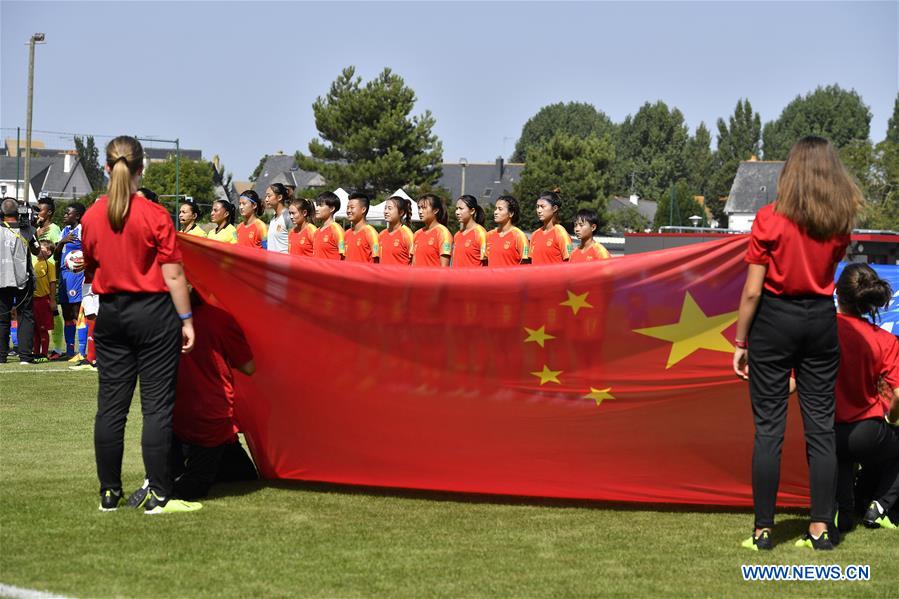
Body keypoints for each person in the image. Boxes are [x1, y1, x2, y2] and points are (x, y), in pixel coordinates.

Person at [733, 136, 865, 551]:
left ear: (790, 171)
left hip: (774, 321)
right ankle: (822, 527)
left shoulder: (769, 218)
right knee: (821, 430)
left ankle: (763, 530)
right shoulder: (838, 223)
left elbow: (753, 291)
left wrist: (740, 340)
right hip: (821, 321)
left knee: (769, 431)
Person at [81, 135, 200, 514]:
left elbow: (92, 263)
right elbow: (175, 275)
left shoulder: (92, 215)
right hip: (154, 314)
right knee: (157, 409)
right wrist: (187, 319)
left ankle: (109, 493)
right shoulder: (154, 214)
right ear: (141, 169)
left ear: (105, 167)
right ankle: (160, 496)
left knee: (111, 409)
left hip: (112, 312)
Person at [127, 289, 257, 505]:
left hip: (173, 417)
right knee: (197, 482)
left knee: (241, 474)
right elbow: (249, 367)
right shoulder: (219, 319)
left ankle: (157, 480)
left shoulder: (156, 322)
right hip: (212, 418)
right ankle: (160, 489)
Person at [832, 264, 899, 531]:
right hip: (866, 431)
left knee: (842, 457)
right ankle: (880, 506)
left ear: (837, 293)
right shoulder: (884, 339)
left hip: (825, 430)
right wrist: (892, 420)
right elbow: (898, 394)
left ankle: (845, 513)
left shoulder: (819, 331)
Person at [0, 197, 39, 364]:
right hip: (23, 278)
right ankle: (25, 356)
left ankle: (1, 356)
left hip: (2, 278)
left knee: (2, 318)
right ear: (18, 212)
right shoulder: (28, 229)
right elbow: (37, 251)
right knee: (25, 316)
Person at [54, 202, 86, 358]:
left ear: (77, 216)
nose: (65, 215)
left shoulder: (82, 231)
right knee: (66, 313)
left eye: (68, 213)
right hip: (64, 276)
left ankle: (82, 351)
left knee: (77, 312)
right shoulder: (65, 231)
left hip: (77, 276)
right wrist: (62, 242)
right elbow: (56, 254)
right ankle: (70, 350)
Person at [31, 239, 57, 362]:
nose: (38, 249)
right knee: (35, 328)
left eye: (41, 248)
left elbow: (52, 283)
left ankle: (44, 353)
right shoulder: (35, 264)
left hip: (43, 300)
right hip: (33, 300)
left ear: (49, 252)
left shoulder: (49, 265)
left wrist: (52, 300)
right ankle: (35, 352)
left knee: (42, 328)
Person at [529, 190, 572, 265]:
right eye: (537, 207)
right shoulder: (535, 235)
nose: (539, 210)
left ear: (554, 208)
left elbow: (569, 262)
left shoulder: (560, 233)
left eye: (542, 207)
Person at [485, 195, 529, 267]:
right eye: (495, 209)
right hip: (491, 278)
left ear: (511, 213)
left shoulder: (519, 236)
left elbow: (526, 264)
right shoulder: (489, 235)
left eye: (500, 209)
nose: (495, 212)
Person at [412, 194, 452, 268]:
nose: (420, 211)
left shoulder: (443, 233)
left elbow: (445, 268)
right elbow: (413, 264)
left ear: (435, 210)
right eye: (419, 208)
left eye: (424, 208)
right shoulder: (417, 234)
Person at [452, 195, 487, 268]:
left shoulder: (481, 233)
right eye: (456, 209)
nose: (457, 212)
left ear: (472, 211)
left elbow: (486, 264)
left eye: (461, 209)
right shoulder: (457, 235)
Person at [344, 192, 380, 264]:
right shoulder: (346, 234)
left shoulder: (371, 233)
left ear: (363, 209)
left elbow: (376, 261)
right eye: (347, 208)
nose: (348, 211)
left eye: (352, 208)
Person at [379, 195, 414, 266]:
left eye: (390, 208)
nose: (386, 211)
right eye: (385, 208)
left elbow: (414, 262)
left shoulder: (407, 234)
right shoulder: (381, 234)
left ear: (401, 212)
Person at [312, 191, 345, 261]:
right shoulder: (316, 232)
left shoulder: (337, 230)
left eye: (320, 205)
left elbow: (345, 257)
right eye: (317, 205)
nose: (316, 209)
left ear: (331, 209)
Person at [264, 183, 291, 254]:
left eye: (269, 196)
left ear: (279, 197)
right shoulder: (273, 219)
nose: (266, 199)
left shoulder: (288, 217)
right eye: (266, 196)